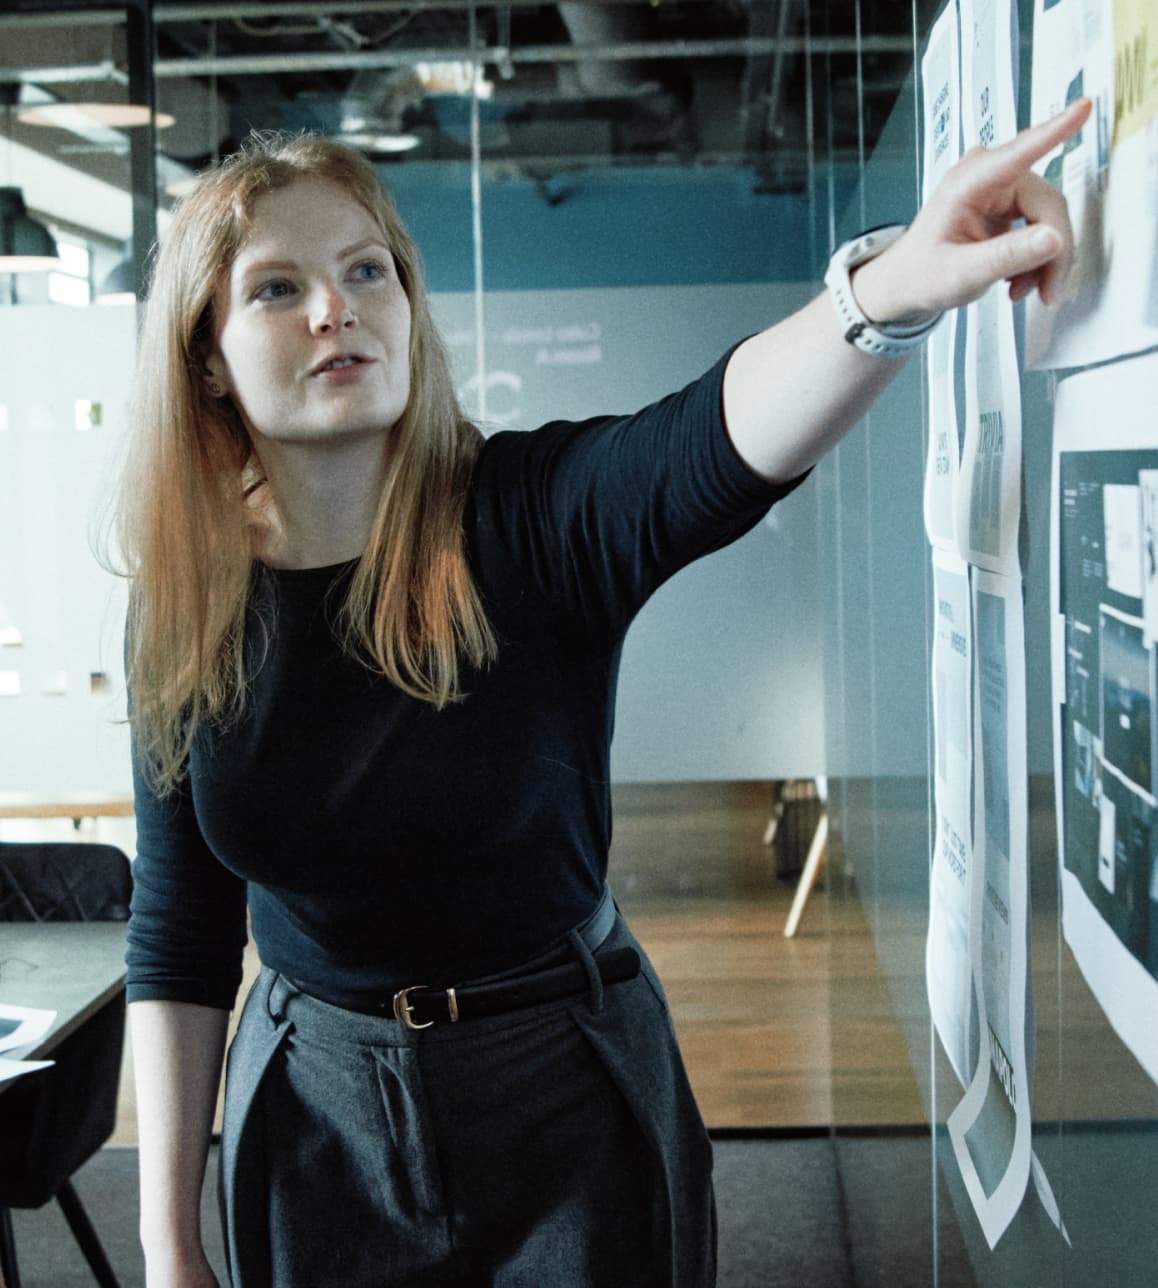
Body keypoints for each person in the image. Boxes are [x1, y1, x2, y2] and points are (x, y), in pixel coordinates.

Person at [118, 97, 1090, 1288]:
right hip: (315, 1108)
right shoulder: (190, 598)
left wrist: (885, 292)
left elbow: (703, 445)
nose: (340, 306)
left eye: (367, 269)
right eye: (278, 287)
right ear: (205, 364)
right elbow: (179, 930)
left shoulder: (524, 517)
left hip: (560, 1084)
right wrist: (169, 1243)